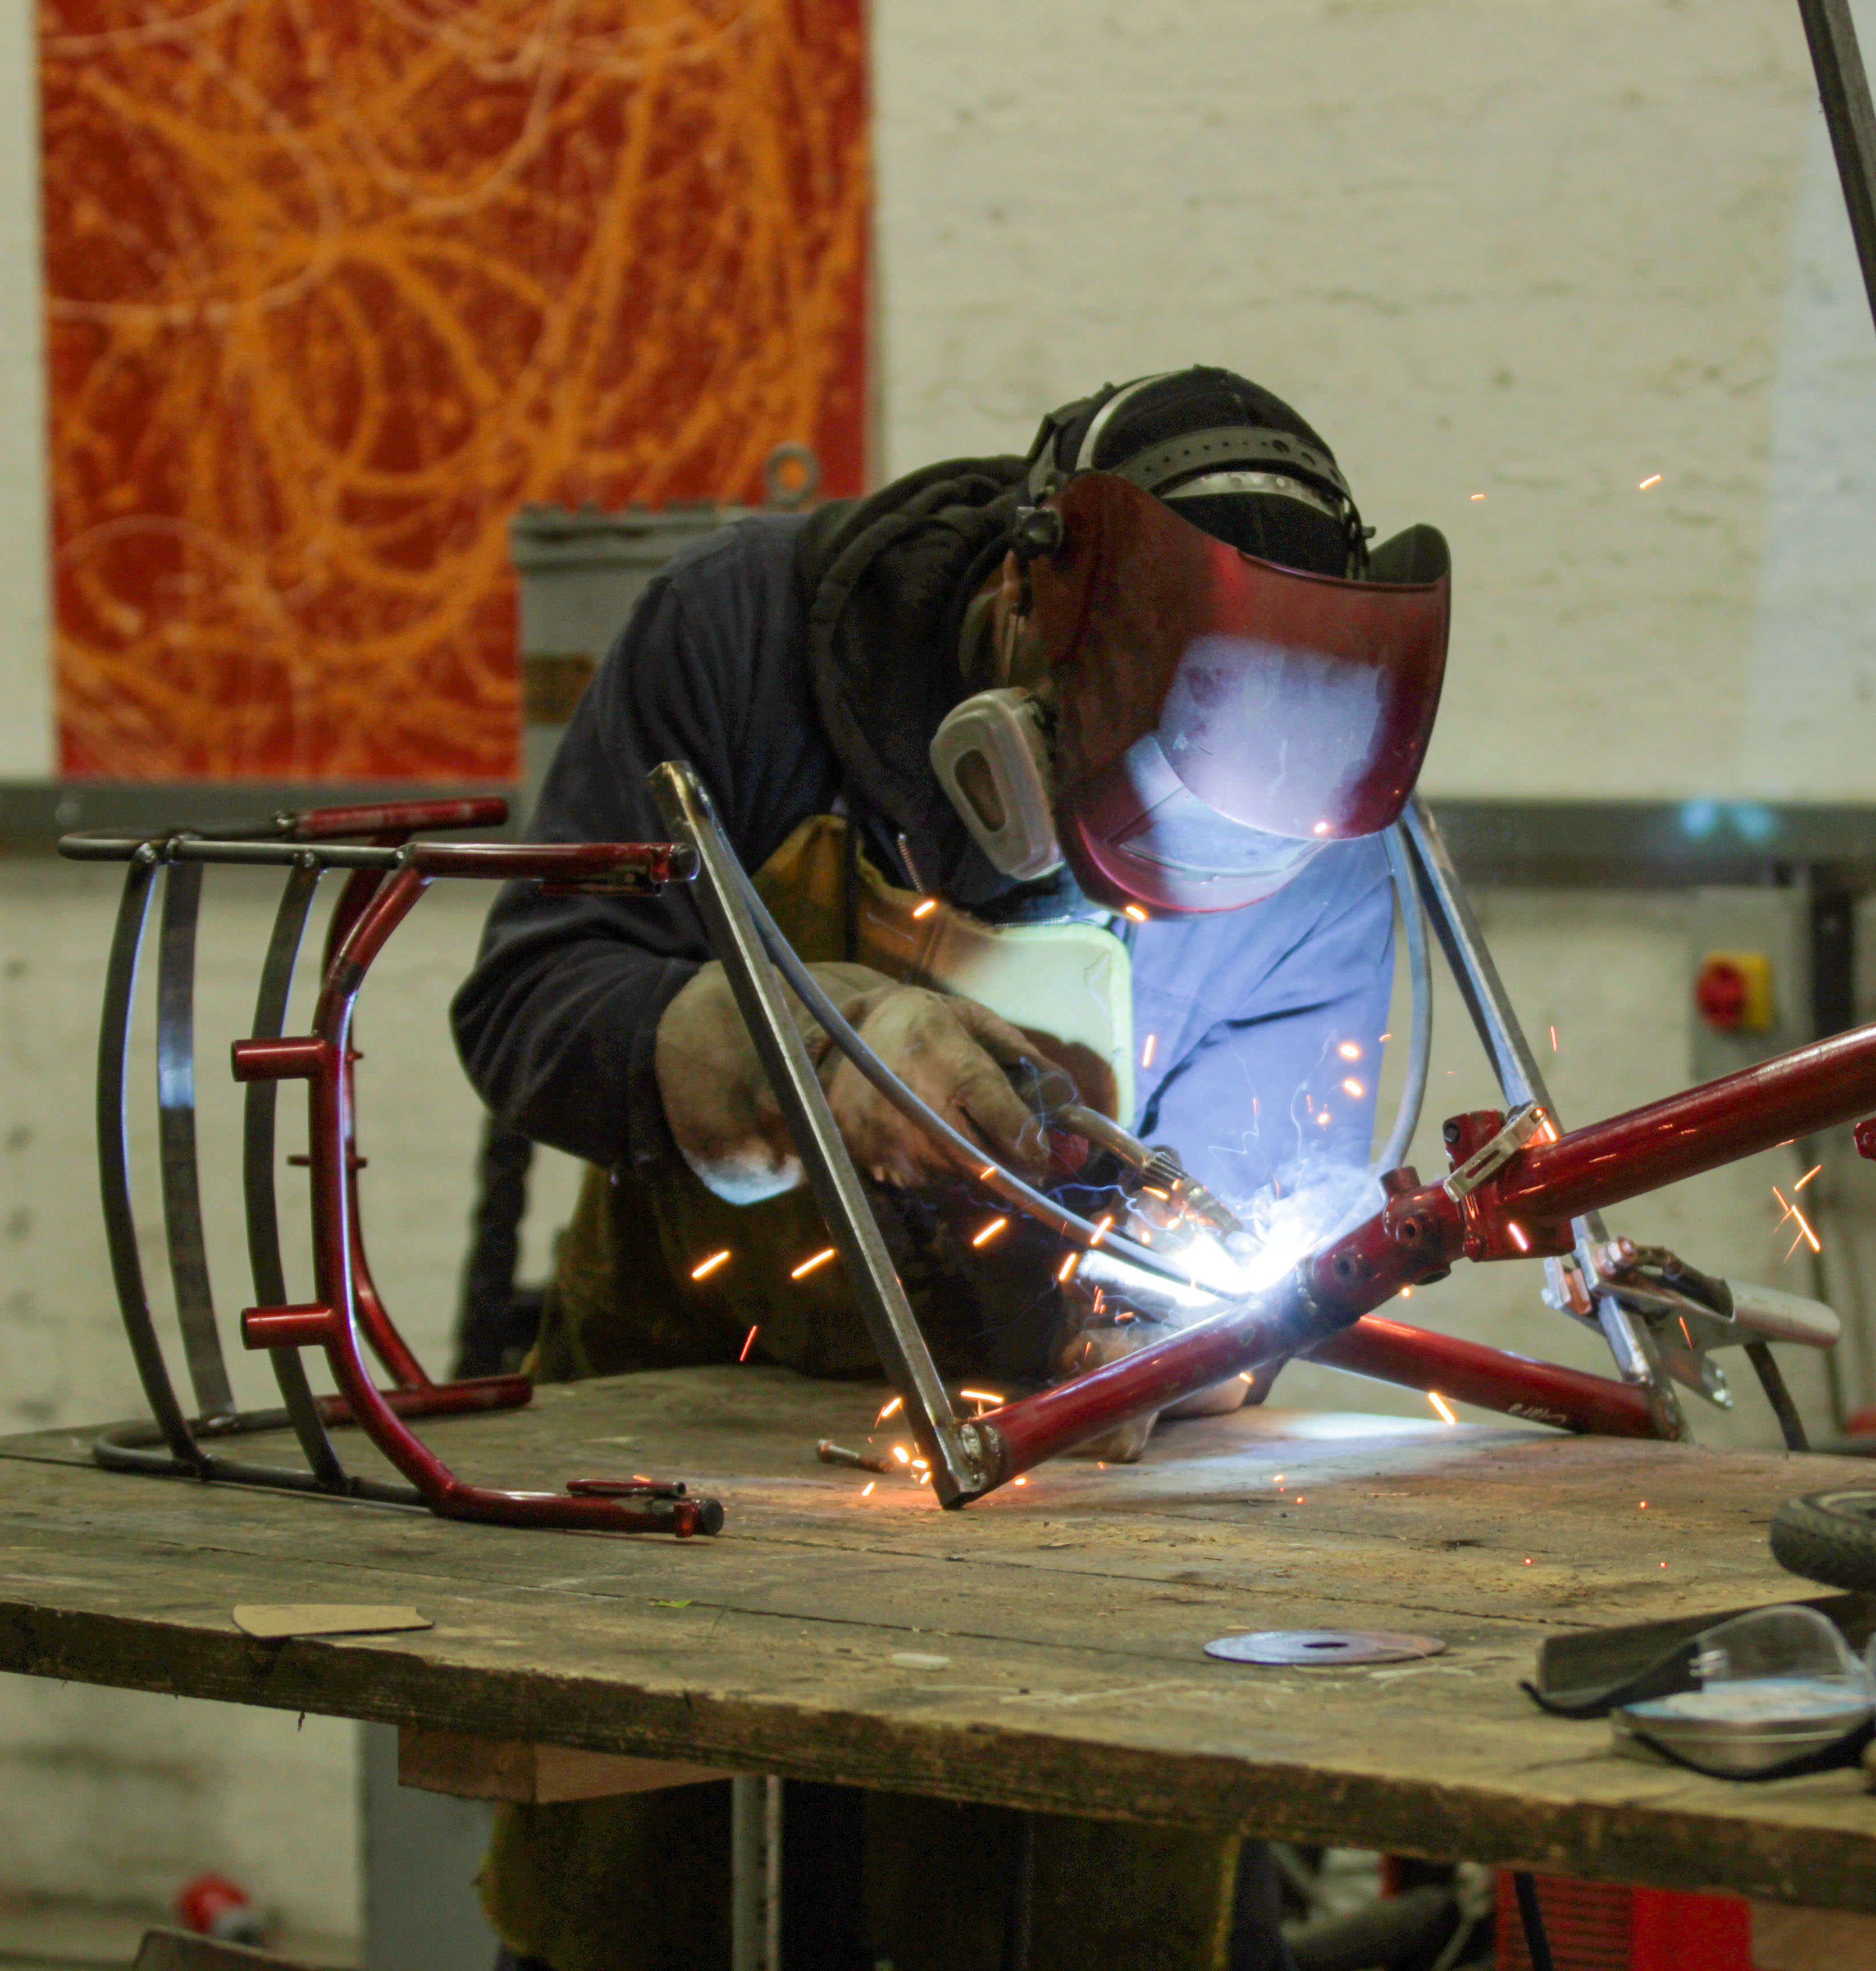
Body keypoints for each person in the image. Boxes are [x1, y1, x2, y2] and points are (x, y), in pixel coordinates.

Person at [451, 367, 1450, 1971]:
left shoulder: (1328, 820)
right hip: (702, 1499)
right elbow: (524, 1000)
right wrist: (800, 1044)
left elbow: (1294, 1216)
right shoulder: (745, 646)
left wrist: (1190, 1342)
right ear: (1011, 614)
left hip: (1097, 1580)